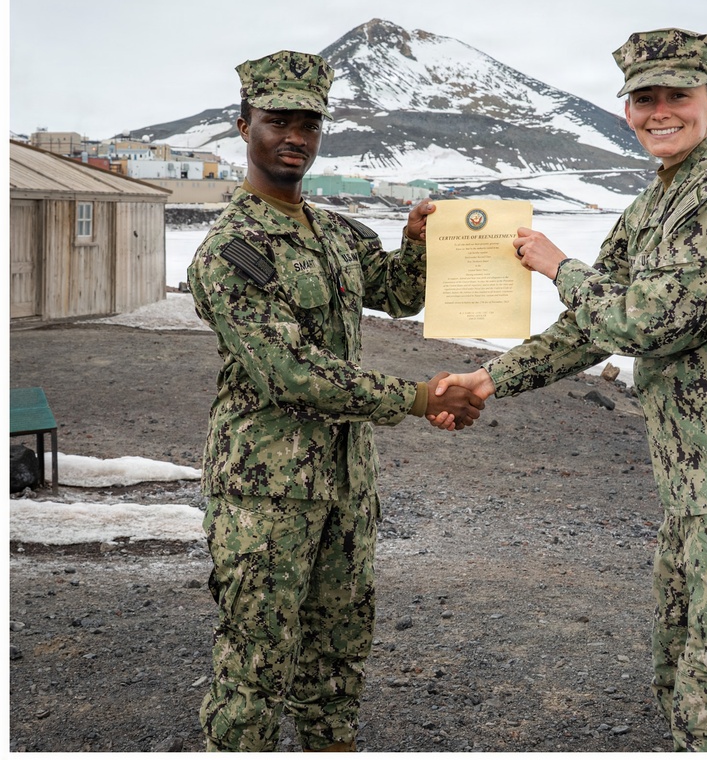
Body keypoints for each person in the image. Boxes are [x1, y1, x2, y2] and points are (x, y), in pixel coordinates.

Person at [433, 28, 707, 751]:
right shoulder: (652, 205)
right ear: (627, 112)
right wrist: (490, 378)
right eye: (645, 99)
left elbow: (653, 322)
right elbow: (595, 327)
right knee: (682, 679)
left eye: (678, 95)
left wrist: (559, 267)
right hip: (696, 491)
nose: (660, 111)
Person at [187, 50, 484, 752]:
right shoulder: (232, 250)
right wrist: (418, 397)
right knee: (255, 665)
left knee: (337, 659)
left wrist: (417, 244)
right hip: (266, 493)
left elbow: (398, 293)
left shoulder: (333, 231)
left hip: (346, 486)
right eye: (278, 121)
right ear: (244, 126)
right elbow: (292, 373)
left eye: (309, 124)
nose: (295, 136)